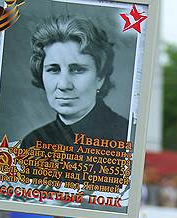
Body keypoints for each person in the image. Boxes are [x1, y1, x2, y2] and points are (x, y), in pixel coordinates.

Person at [22, 17, 129, 148]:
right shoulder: (32, 143)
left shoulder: (126, 137)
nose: (63, 85)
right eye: (53, 70)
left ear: (100, 77)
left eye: (77, 70)